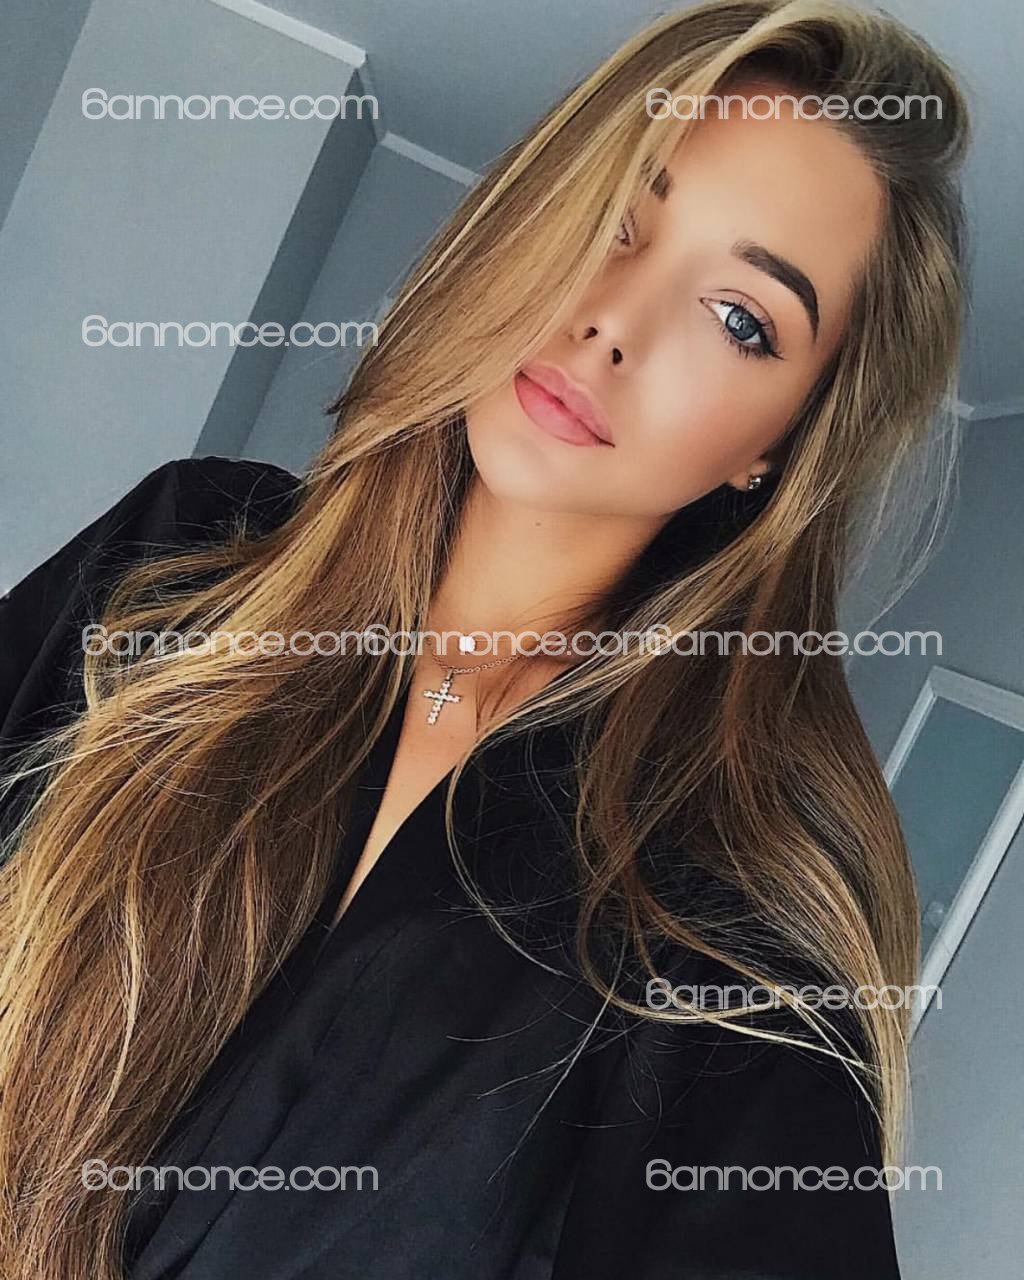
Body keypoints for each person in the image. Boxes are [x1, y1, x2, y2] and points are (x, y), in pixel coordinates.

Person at [0, 1, 968, 1276]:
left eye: (739, 317)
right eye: (614, 216)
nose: (613, 319)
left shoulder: (723, 919)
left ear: (776, 449)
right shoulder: (175, 557)